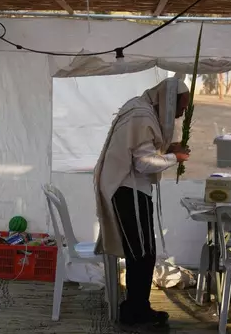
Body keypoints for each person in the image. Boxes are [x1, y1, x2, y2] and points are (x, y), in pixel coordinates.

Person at [94, 77, 191, 331]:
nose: (182, 113)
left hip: (131, 189)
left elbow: (142, 150)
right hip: (128, 190)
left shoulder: (143, 109)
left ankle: (138, 308)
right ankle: (134, 313)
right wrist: (174, 157)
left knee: (143, 254)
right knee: (142, 254)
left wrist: (170, 149)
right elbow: (142, 163)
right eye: (181, 107)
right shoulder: (141, 115)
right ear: (168, 102)